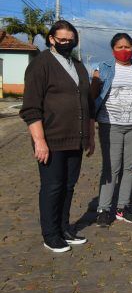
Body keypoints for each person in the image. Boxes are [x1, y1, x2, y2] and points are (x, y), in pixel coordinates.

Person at [20, 20, 94, 252]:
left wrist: (90, 137)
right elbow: (31, 108)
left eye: (70, 40)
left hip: (76, 137)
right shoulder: (41, 64)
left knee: (69, 186)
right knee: (53, 186)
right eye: (61, 39)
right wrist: (39, 141)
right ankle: (50, 234)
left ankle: (64, 228)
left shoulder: (78, 65)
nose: (65, 43)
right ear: (51, 39)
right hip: (51, 139)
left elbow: (87, 103)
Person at [92, 33, 132, 227]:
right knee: (111, 167)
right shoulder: (104, 68)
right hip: (111, 125)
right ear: (112, 50)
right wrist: (94, 82)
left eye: (127, 47)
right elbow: (94, 94)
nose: (124, 51)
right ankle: (103, 208)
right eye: (119, 47)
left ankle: (122, 207)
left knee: (129, 167)